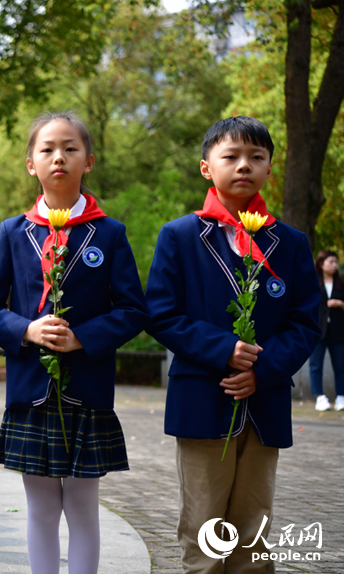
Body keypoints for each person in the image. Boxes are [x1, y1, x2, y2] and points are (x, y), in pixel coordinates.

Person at [0, 111, 148, 574]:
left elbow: (133, 310)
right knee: (42, 509)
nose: (59, 157)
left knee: (84, 508)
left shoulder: (108, 234)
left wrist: (82, 339)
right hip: (31, 390)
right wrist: (27, 331)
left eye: (70, 148)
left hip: (87, 388)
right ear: (31, 163)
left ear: (88, 161)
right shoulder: (14, 232)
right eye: (47, 149)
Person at [145, 116, 321, 573]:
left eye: (256, 158)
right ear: (207, 167)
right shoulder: (179, 236)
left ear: (268, 169)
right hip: (203, 401)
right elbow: (160, 314)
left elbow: (307, 322)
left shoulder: (291, 243)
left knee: (253, 532)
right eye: (231, 156)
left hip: (264, 405)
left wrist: (262, 370)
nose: (244, 165)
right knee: (204, 532)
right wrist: (222, 349)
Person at [309, 250, 344, 411]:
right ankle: (320, 397)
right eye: (331, 262)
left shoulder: (341, 283)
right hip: (318, 330)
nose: (334, 265)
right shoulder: (313, 282)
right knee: (316, 365)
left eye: (336, 262)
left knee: (340, 366)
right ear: (321, 264)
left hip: (338, 331)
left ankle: (341, 397)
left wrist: (340, 304)